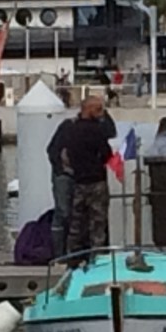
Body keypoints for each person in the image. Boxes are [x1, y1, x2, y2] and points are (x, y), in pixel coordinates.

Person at [65, 95, 116, 257]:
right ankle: (97, 257)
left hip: (78, 181)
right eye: (99, 109)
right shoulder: (97, 130)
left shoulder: (71, 129)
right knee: (98, 223)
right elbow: (107, 153)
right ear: (89, 109)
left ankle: (73, 256)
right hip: (96, 181)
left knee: (76, 223)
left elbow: (65, 154)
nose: (101, 113)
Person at [46, 114, 76, 257]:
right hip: (63, 175)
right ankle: (59, 253)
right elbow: (52, 150)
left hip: (80, 175)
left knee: (76, 214)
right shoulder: (68, 127)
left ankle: (73, 252)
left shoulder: (94, 127)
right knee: (63, 212)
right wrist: (60, 170)